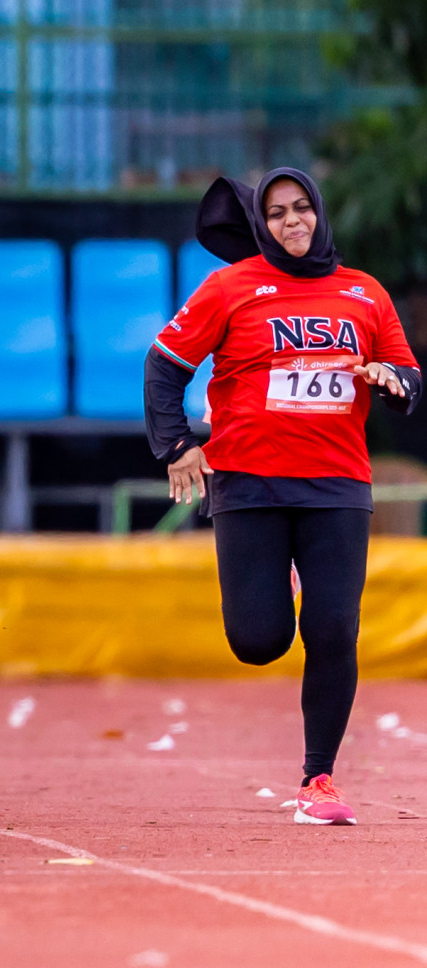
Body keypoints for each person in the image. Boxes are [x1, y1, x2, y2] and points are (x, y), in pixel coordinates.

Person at [144, 167, 420, 825]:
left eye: (301, 208)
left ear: (319, 213)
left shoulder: (364, 292)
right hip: (250, 481)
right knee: (258, 640)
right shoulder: (230, 287)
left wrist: (391, 380)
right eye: (276, 213)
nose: (292, 221)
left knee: (334, 629)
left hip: (337, 484)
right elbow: (163, 365)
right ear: (261, 226)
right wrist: (177, 445)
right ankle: (283, 578)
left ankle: (318, 778)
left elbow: (408, 372)